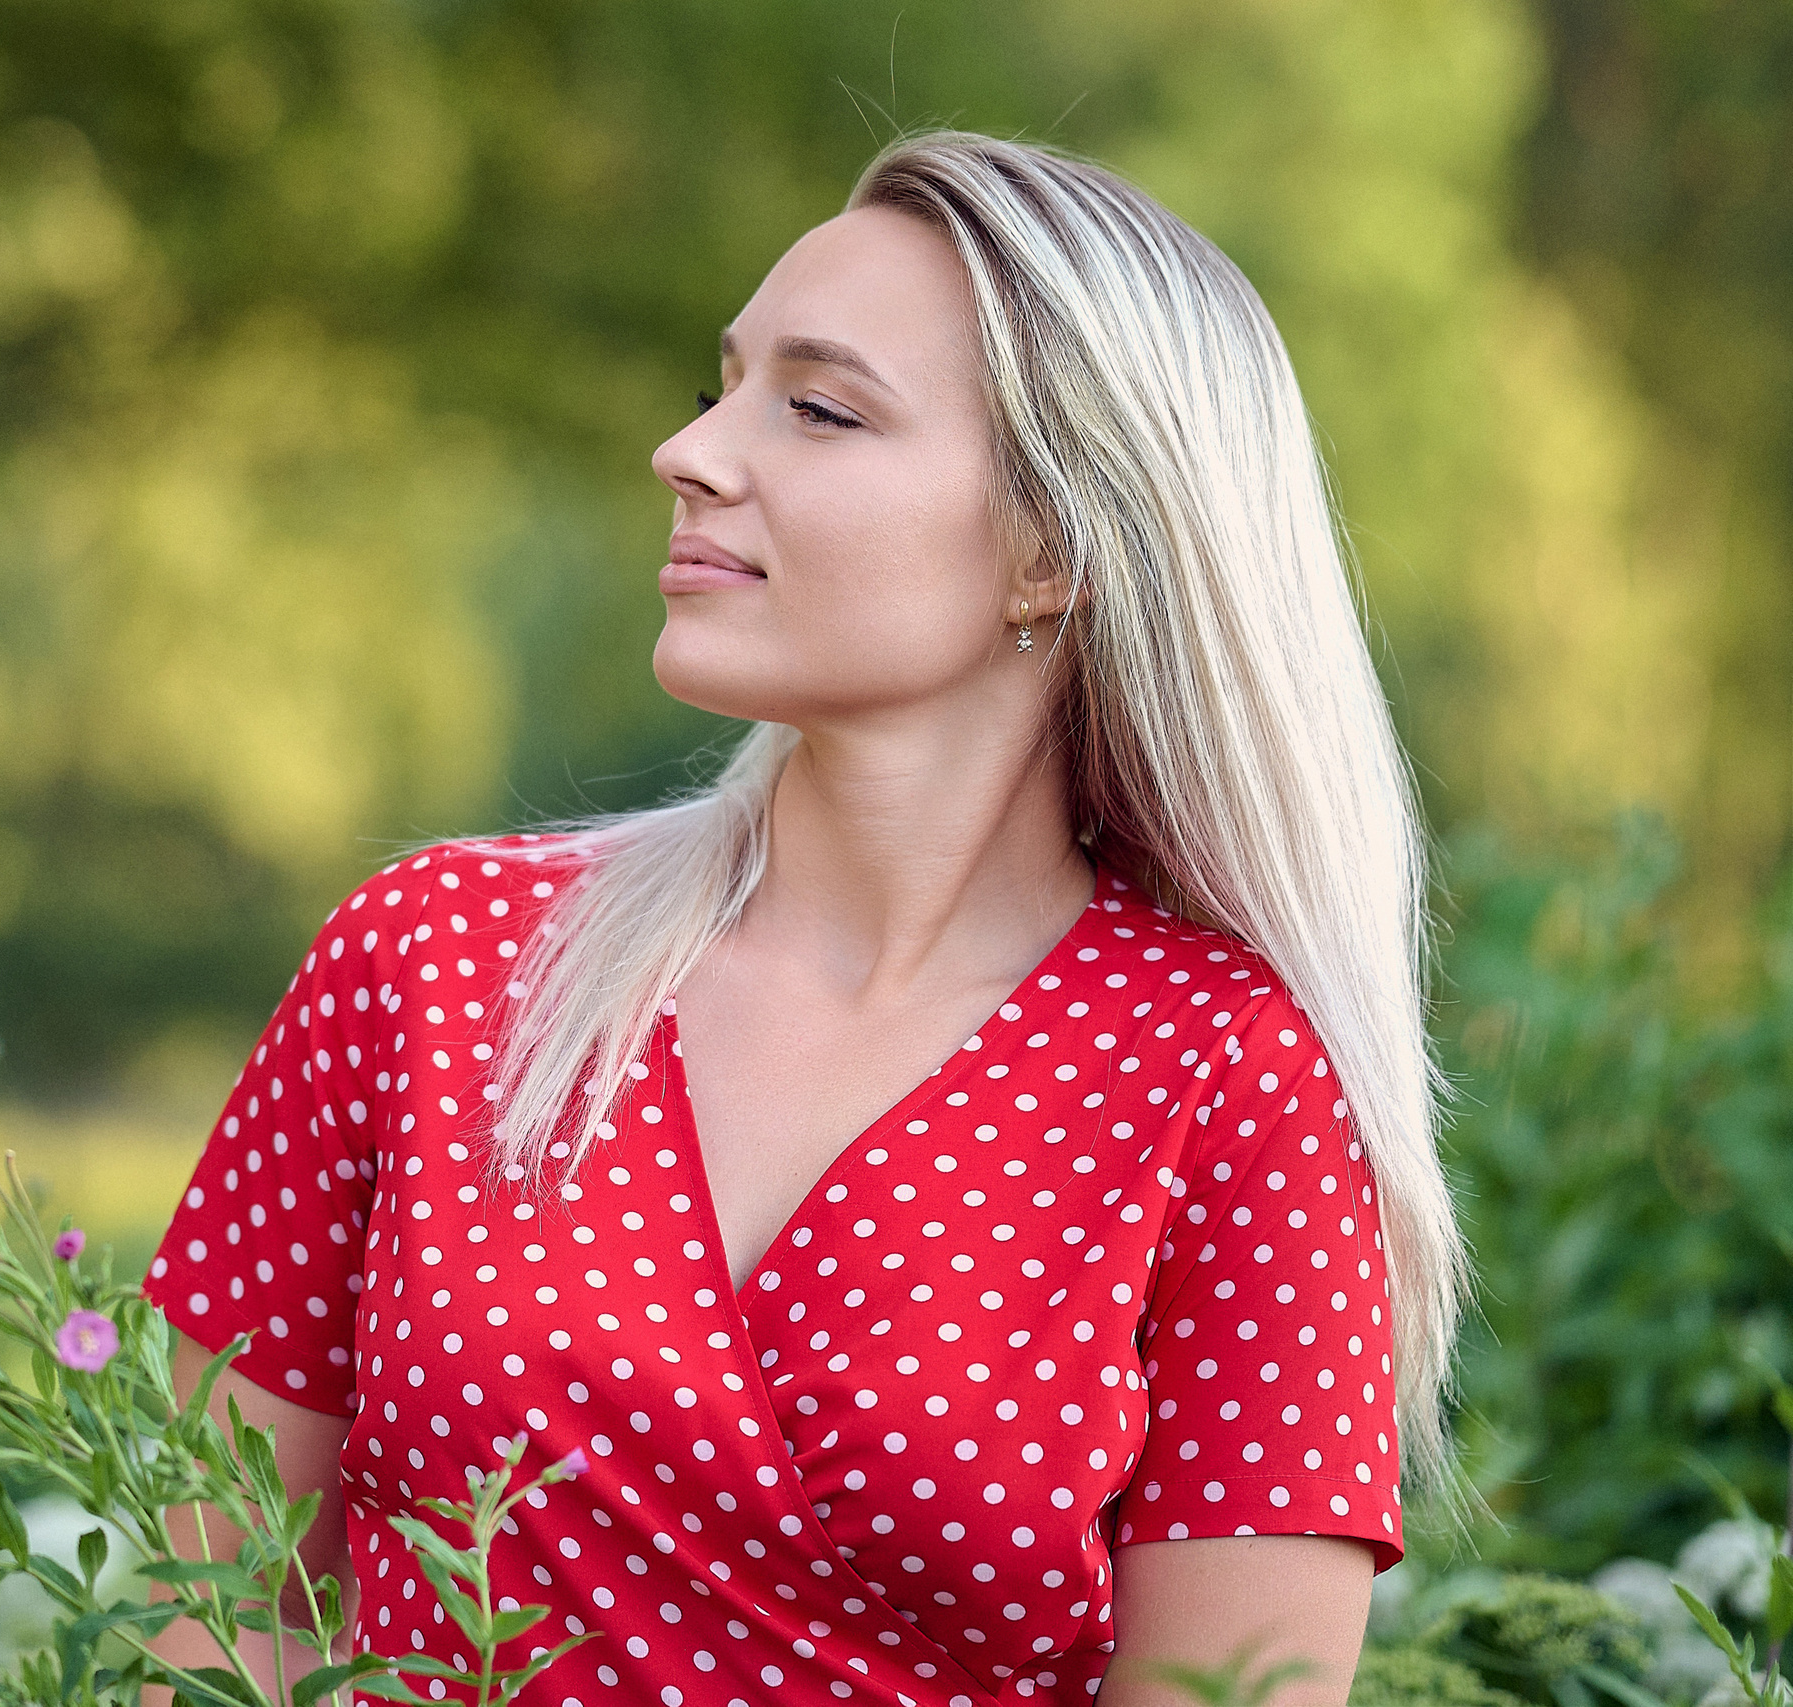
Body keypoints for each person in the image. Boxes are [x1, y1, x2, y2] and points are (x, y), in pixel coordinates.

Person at [139, 129, 1465, 1707]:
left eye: (820, 409)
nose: (692, 451)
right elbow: (208, 1618)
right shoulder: (432, 960)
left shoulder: (1229, 1085)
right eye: (723, 385)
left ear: (1053, 547)